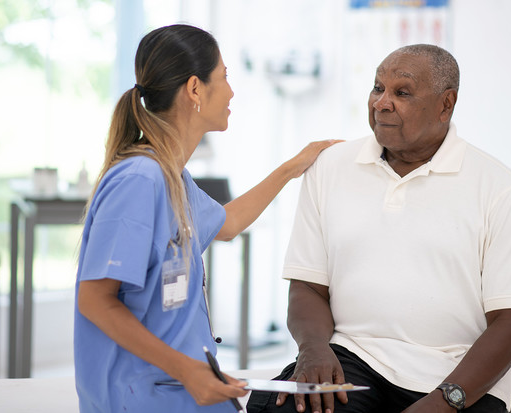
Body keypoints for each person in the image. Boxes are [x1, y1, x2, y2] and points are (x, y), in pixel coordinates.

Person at [247, 44, 511, 413]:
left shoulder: (498, 188)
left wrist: (444, 401)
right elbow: (307, 285)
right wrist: (313, 349)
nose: (381, 103)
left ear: (445, 105)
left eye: (402, 92)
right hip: (353, 359)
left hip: (455, 373)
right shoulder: (331, 168)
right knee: (279, 408)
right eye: (377, 88)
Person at [73, 24, 339, 413]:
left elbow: (226, 224)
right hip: (143, 396)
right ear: (195, 89)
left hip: (178, 389)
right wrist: (187, 370)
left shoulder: (172, 176)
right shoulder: (139, 180)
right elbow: (95, 300)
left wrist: (293, 167)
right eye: (225, 77)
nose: (231, 91)